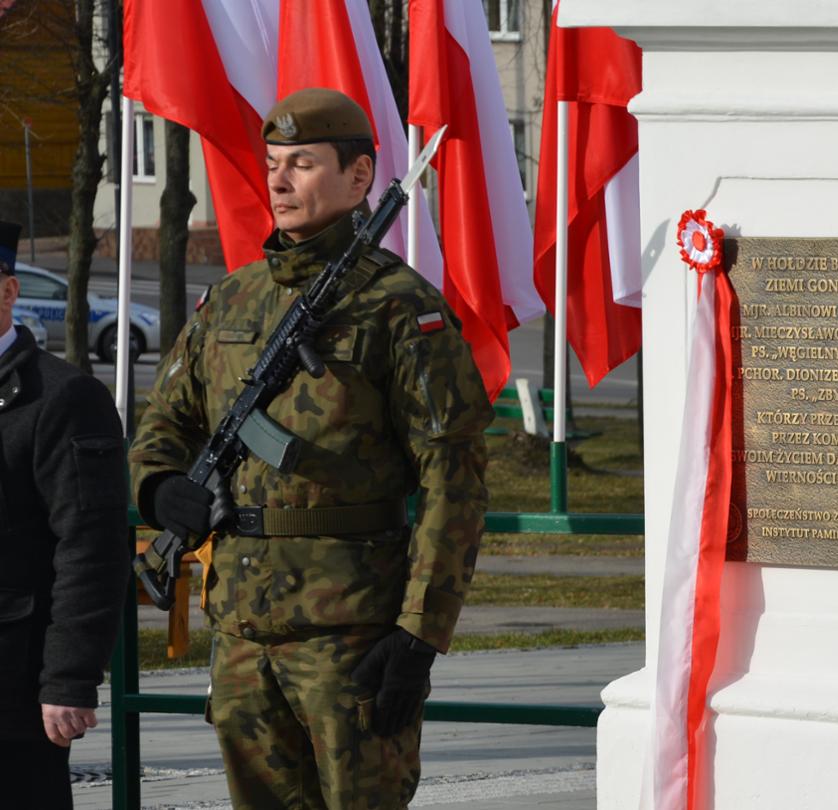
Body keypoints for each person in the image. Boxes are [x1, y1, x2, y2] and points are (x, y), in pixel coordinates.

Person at [128, 88, 491, 808]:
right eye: (272, 164)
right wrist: (161, 490)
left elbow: (455, 480)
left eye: (302, 163)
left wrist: (419, 635)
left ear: (359, 177)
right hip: (241, 632)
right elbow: (162, 425)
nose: (280, 181)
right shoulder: (231, 300)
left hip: (350, 636)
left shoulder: (400, 307)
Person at [0, 220, 130, 810]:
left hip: (14, 691)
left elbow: (91, 548)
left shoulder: (61, 397)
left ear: (9, 291)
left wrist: (69, 678)